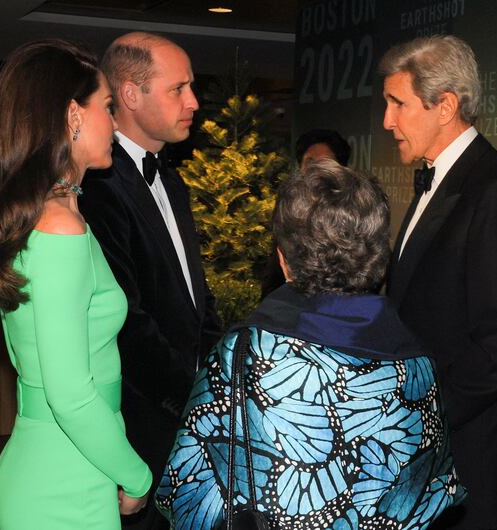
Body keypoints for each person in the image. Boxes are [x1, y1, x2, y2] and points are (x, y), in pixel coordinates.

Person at [156, 159, 466, 529]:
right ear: (379, 263)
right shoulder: (419, 363)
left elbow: (186, 488)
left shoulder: (246, 353)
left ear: (284, 261)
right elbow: (435, 495)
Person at [0, 39, 151, 529]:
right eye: (108, 106)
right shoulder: (58, 223)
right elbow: (69, 394)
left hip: (65, 468)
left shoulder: (49, 213)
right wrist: (136, 477)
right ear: (73, 116)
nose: (115, 122)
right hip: (64, 487)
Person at [380, 35, 497, 530]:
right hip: (435, 464)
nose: (387, 121)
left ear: (445, 105)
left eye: (398, 104)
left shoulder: (496, 191)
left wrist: (419, 415)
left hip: (475, 466)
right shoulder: (437, 179)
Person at [78, 32, 221, 529]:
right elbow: (126, 320)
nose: (194, 102)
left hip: (182, 422)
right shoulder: (98, 184)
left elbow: (193, 298)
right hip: (138, 425)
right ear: (131, 95)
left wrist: (218, 380)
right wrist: (195, 399)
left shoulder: (172, 179)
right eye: (178, 89)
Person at [261, 129, 352, 297]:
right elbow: (274, 272)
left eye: (325, 162)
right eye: (309, 162)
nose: (316, 169)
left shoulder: (354, 212)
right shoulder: (288, 208)